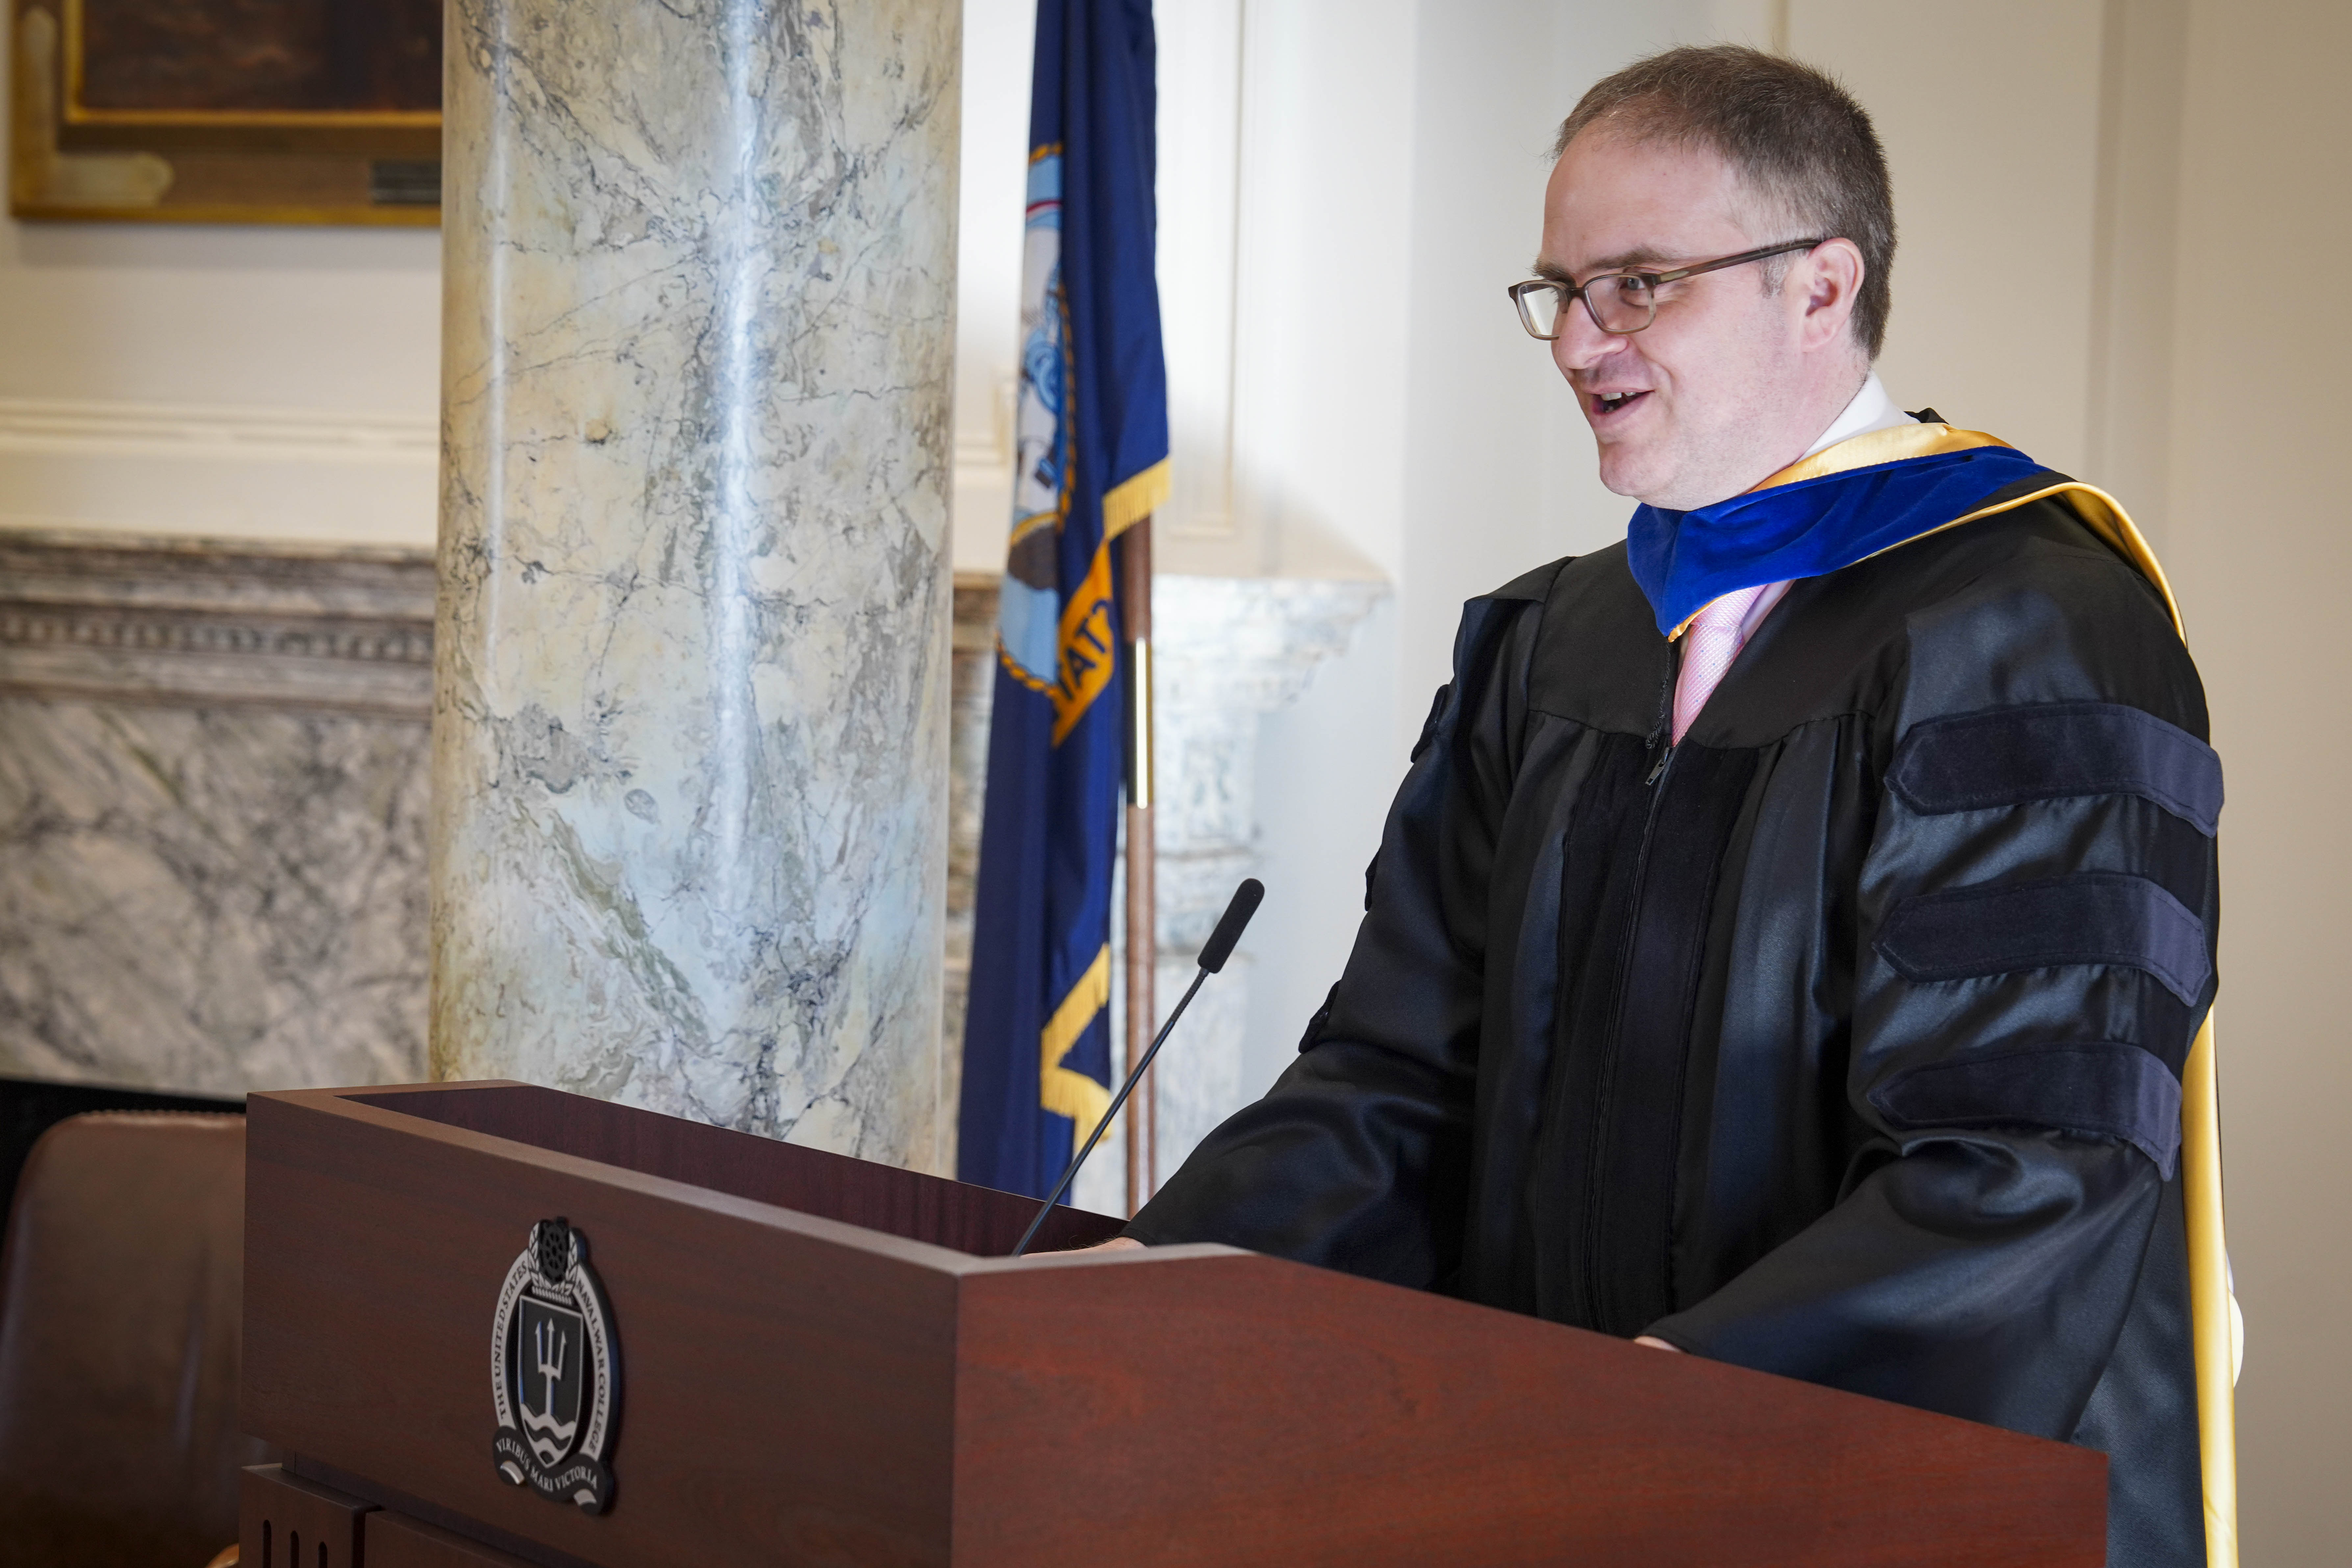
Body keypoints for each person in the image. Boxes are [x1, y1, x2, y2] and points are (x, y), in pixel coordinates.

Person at [1098, 44, 2215, 1567]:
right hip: (1558, 1470)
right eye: (1557, 287)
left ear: (1821, 287)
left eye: (1638, 282)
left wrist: (1672, 1406)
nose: (1575, 338)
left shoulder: (2030, 631)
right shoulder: (1558, 641)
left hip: (1865, 1495)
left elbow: (2029, 1159)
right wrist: (1126, 1298)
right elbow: (1399, 1083)